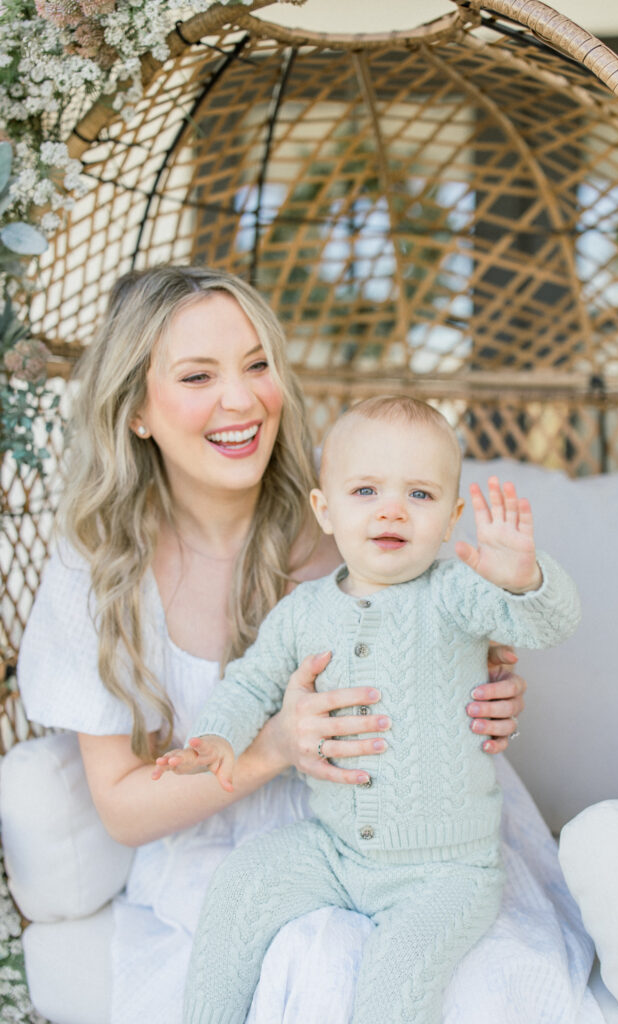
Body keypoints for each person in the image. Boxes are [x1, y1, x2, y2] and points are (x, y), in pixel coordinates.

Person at [16, 265, 528, 1024]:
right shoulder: (94, 568)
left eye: (258, 365)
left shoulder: (352, 527)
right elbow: (121, 809)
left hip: (414, 839)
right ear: (136, 411)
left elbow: (454, 639)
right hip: (230, 857)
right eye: (198, 375)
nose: (241, 399)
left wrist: (486, 691)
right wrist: (272, 748)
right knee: (314, 961)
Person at [156, 396, 581, 1024]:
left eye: (420, 494)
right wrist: (217, 736)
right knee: (240, 885)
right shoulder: (303, 610)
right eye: (365, 490)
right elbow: (251, 681)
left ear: (451, 518)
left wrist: (521, 579)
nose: (391, 509)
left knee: (395, 977)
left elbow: (550, 623)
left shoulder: (457, 592)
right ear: (324, 511)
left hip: (446, 872)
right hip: (335, 850)